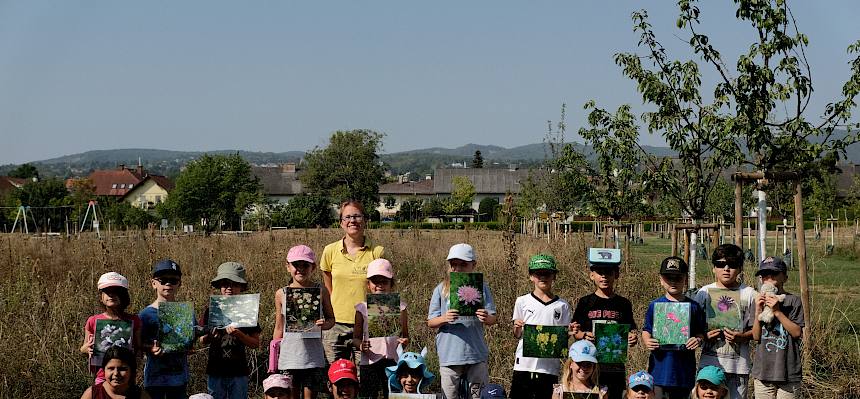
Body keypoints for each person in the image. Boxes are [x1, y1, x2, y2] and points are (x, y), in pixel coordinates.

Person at [428, 243, 498, 399]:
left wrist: (486, 317)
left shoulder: (482, 287)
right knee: (449, 395)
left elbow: (493, 318)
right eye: (454, 264)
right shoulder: (441, 289)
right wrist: (445, 318)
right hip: (449, 354)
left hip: (476, 352)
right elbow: (431, 321)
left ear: (474, 265)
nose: (457, 268)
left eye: (463, 264)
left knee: (477, 395)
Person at [320, 200, 385, 363]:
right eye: (347, 217)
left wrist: (383, 327)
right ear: (341, 223)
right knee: (336, 375)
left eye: (357, 216)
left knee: (363, 377)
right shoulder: (329, 251)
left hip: (366, 325)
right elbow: (329, 287)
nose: (352, 221)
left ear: (365, 220)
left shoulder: (378, 251)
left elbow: (384, 289)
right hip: (336, 324)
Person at [571, 248, 638, 399]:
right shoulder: (585, 302)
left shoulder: (623, 304)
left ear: (617, 274)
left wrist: (633, 337)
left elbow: (631, 330)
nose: (604, 276)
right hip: (589, 365)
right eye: (599, 272)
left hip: (615, 366)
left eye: (608, 272)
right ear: (591, 275)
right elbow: (575, 331)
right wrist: (583, 335)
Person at [693, 244, 756, 399]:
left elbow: (757, 331)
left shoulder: (749, 294)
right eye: (720, 264)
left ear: (740, 268)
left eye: (732, 264)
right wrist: (705, 336)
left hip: (737, 368)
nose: (726, 269)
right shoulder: (703, 293)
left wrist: (742, 337)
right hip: (709, 366)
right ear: (714, 268)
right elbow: (692, 327)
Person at [273, 245, 336, 399]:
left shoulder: (321, 290)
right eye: (296, 265)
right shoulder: (281, 293)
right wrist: (274, 354)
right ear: (287, 267)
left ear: (313, 267)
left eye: (305, 265)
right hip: (289, 356)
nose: (300, 269)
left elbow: (331, 319)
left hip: (312, 356)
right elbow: (279, 326)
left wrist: (324, 324)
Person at [641, 257, 706, 399]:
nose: (673, 281)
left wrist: (698, 340)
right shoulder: (655, 305)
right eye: (668, 277)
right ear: (661, 279)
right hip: (658, 372)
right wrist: (647, 340)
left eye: (678, 277)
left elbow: (701, 333)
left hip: (683, 373)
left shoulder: (694, 307)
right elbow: (646, 329)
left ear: (685, 279)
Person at [511, 254, 574, 399]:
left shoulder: (562, 305)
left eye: (547, 274)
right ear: (531, 276)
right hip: (524, 365)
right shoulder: (522, 301)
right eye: (538, 274)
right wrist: (517, 326)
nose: (543, 277)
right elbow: (517, 334)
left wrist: (570, 332)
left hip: (549, 367)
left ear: (554, 276)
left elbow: (563, 336)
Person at [199, 262, 262, 399]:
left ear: (242, 287)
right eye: (225, 284)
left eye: (235, 284)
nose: (229, 288)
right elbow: (202, 340)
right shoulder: (211, 310)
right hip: (216, 370)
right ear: (219, 286)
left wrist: (239, 334)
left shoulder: (248, 311)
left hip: (238, 371)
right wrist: (211, 337)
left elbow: (255, 343)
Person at [352, 258, 409, 399]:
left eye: (384, 281)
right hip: (369, 361)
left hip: (393, 360)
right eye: (375, 281)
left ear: (391, 283)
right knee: (368, 395)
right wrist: (361, 345)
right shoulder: (362, 308)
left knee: (391, 394)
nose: (380, 285)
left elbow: (406, 335)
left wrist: (404, 341)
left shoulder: (400, 307)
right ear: (368, 284)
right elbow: (356, 338)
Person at [139, 259, 196, 399]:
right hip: (155, 378)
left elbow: (191, 338)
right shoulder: (145, 315)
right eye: (163, 280)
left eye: (173, 280)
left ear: (179, 283)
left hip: (179, 378)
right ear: (153, 283)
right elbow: (137, 343)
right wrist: (149, 348)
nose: (168, 284)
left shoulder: (186, 313)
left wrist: (189, 346)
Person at [750, 257, 804, 399]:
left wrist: (777, 311)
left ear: (785, 278)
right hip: (763, 371)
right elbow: (756, 336)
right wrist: (757, 312)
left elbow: (797, 332)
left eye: (773, 274)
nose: (768, 278)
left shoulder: (793, 301)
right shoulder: (757, 301)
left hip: (788, 371)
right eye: (764, 275)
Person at [81, 272, 143, 384]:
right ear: (101, 297)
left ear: (124, 296)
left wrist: (136, 359)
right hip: (102, 377)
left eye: (116, 292)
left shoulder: (135, 321)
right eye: (107, 292)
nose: (111, 295)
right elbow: (83, 348)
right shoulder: (92, 321)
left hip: (126, 378)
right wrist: (87, 349)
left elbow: (139, 349)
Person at [80, 346, 151, 399]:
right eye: (111, 368)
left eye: (122, 369)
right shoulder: (92, 394)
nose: (116, 373)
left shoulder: (141, 396)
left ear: (132, 371)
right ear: (103, 370)